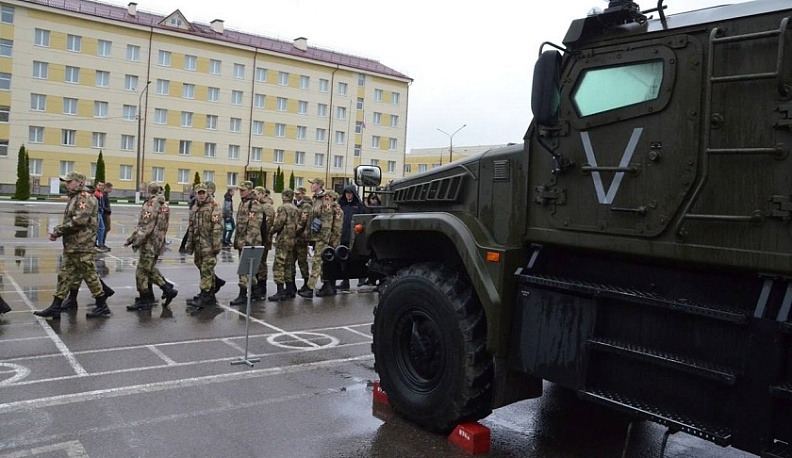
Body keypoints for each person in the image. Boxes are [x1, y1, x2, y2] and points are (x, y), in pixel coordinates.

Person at [34, 172, 114, 319]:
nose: (67, 184)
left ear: (79, 182)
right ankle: (56, 306)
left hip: (82, 244)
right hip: (73, 245)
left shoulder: (85, 198)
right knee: (64, 275)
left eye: (70, 181)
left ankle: (102, 306)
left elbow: (79, 221)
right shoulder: (75, 197)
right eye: (67, 182)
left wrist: (58, 231)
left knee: (90, 276)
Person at [124, 182, 178, 311]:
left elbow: (146, 227)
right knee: (149, 269)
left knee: (141, 272)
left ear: (149, 190)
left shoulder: (151, 204)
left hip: (149, 243)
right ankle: (153, 294)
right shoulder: (163, 204)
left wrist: (135, 241)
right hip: (158, 242)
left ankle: (153, 295)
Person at [184, 183, 223, 308]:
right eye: (199, 193)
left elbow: (217, 228)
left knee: (206, 269)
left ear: (207, 193)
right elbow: (191, 227)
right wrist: (189, 244)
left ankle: (205, 294)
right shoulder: (195, 207)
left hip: (209, 245)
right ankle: (211, 293)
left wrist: (216, 245)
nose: (201, 195)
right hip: (198, 245)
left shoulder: (214, 207)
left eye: (203, 193)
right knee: (201, 267)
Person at [298, 178, 337, 299]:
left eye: (313, 184)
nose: (311, 186)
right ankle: (327, 285)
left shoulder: (326, 199)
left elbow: (327, 220)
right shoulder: (315, 199)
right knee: (320, 262)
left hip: (322, 236)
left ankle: (310, 288)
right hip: (315, 235)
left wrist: (324, 238)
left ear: (319, 185)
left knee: (316, 261)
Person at [229, 181, 264, 306]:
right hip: (242, 241)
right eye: (240, 190)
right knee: (248, 270)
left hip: (249, 243)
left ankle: (243, 294)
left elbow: (254, 227)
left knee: (244, 270)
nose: (241, 192)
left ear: (250, 190)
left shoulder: (253, 205)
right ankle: (255, 291)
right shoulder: (243, 203)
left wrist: (247, 243)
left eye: (243, 190)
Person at [268, 189, 300, 301]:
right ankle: (290, 289)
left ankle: (280, 291)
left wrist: (271, 231)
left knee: (279, 265)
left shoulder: (283, 208)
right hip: (292, 239)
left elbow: (279, 223)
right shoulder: (295, 209)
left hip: (283, 239)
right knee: (288, 265)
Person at [337, 185, 366, 291]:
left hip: (355, 235)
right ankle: (345, 281)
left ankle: (361, 279)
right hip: (343, 234)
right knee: (343, 259)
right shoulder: (341, 205)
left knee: (357, 258)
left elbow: (363, 219)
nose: (348, 195)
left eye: (350, 193)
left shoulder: (358, 205)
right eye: (346, 193)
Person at [253, 186, 276, 300]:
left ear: (262, 194)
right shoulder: (257, 205)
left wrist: (262, 238)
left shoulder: (267, 207)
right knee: (256, 263)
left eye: (256, 193)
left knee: (261, 263)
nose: (254, 196)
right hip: (256, 239)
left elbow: (267, 225)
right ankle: (256, 286)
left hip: (263, 239)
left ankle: (262, 287)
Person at [292, 186, 311, 294]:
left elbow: (303, 221)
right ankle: (292, 284)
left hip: (301, 238)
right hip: (293, 238)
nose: (296, 196)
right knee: (291, 262)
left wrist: (294, 231)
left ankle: (306, 282)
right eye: (295, 194)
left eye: (298, 194)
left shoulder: (306, 206)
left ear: (303, 194)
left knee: (302, 262)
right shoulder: (295, 204)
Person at [94, 181, 109, 252]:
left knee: (100, 229)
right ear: (97, 186)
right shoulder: (96, 194)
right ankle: (99, 244)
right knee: (100, 228)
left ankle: (99, 244)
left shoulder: (100, 194)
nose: (101, 187)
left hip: (100, 212)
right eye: (99, 185)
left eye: (102, 185)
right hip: (97, 213)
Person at [100, 182, 113, 250]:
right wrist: (107, 210)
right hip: (104, 214)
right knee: (104, 229)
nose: (111, 190)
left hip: (106, 214)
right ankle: (101, 243)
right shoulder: (103, 195)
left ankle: (102, 243)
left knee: (107, 229)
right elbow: (102, 205)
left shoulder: (105, 194)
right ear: (107, 188)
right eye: (110, 188)